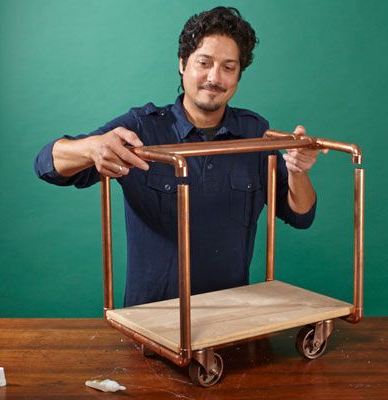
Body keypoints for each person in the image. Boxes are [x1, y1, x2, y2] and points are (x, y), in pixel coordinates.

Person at [35, 7, 319, 307]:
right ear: (183, 64)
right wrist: (92, 148)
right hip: (151, 321)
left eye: (228, 67)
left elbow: (301, 216)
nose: (214, 77)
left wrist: (298, 170)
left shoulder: (254, 131)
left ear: (238, 75)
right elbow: (46, 164)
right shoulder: (141, 128)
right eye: (204, 63)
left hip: (231, 318)